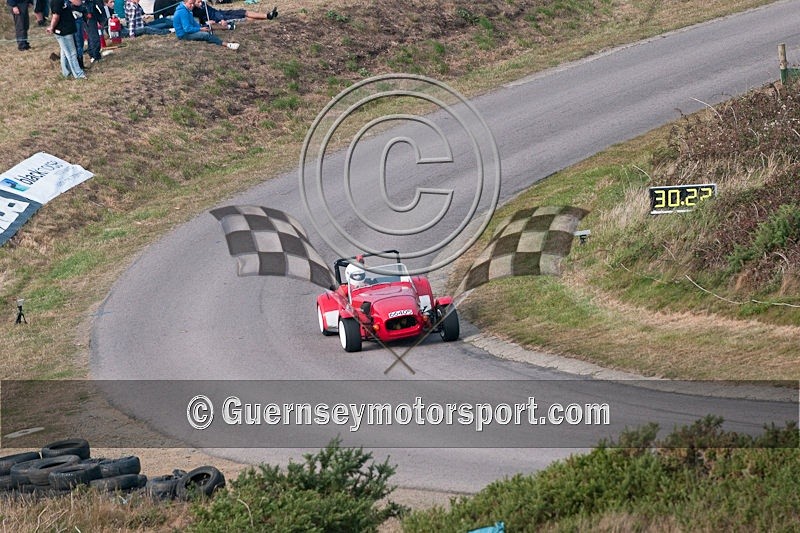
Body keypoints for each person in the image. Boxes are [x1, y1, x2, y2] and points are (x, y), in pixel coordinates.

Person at [172, 0, 238, 49]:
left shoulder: (187, 9)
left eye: (193, 4)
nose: (192, 5)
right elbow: (187, 29)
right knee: (205, 35)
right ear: (184, 2)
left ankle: (228, 27)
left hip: (189, 30)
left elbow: (193, 23)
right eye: (190, 4)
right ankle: (228, 45)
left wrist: (201, 27)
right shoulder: (183, 12)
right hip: (183, 35)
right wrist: (200, 29)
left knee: (206, 27)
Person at [47, 0, 86, 79]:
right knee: (71, 53)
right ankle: (78, 74)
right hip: (63, 31)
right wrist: (51, 27)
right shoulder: (56, 2)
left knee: (65, 52)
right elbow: (55, 16)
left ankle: (66, 72)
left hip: (68, 29)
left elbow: (78, 2)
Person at [193, 0, 276, 30]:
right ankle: (267, 18)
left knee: (243, 12)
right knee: (244, 18)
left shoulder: (203, 4)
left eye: (201, 1)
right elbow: (200, 23)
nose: (200, 3)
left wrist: (220, 16)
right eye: (198, 2)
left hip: (221, 13)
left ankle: (267, 15)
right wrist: (209, 22)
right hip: (221, 19)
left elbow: (214, 11)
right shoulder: (193, 11)